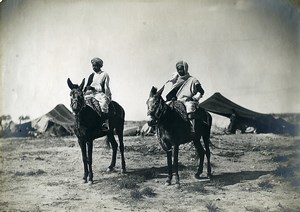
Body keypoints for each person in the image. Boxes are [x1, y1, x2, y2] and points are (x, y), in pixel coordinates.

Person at [165, 60, 205, 133]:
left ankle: (192, 129)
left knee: (189, 108)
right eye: (178, 69)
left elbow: (201, 91)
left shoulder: (193, 80)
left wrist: (196, 98)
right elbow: (173, 93)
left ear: (186, 69)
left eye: (181, 69)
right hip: (177, 101)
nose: (180, 71)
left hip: (188, 100)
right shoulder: (177, 80)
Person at [84, 57, 112, 131]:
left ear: (100, 66)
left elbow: (105, 87)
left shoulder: (104, 74)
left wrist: (93, 88)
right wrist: (84, 91)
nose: (94, 67)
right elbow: (87, 85)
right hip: (90, 94)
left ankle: (105, 123)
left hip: (100, 94)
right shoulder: (91, 75)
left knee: (103, 105)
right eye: (93, 65)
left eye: (95, 65)